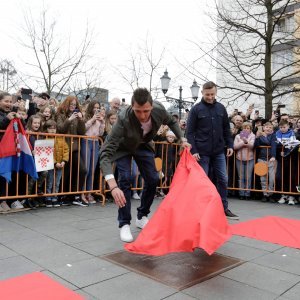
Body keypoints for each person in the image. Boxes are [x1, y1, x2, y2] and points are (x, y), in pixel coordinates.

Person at [99, 88, 189, 242]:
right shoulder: (123, 119)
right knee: (125, 178)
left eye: (146, 111)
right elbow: (105, 154)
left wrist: (182, 138)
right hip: (123, 148)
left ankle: (142, 216)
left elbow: (173, 121)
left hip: (144, 145)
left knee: (153, 179)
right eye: (138, 111)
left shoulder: (159, 110)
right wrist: (112, 186)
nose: (142, 115)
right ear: (132, 107)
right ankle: (124, 223)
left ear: (152, 106)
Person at [186, 81, 239, 220]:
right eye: (208, 94)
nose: (210, 97)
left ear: (216, 93)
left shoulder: (221, 108)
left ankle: (223, 208)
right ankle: (202, 209)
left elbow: (226, 130)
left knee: (223, 179)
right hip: (202, 151)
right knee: (203, 181)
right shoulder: (196, 109)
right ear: (202, 92)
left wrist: (230, 145)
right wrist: (194, 150)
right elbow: (189, 132)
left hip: (218, 151)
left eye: (212, 94)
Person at [44, 120, 69, 208]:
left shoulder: (60, 137)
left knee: (57, 182)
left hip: (60, 164)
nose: (52, 130)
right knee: (50, 181)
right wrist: (55, 162)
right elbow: (47, 153)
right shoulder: (46, 138)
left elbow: (66, 150)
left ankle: (54, 197)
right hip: (51, 164)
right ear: (46, 129)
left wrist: (64, 161)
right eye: (50, 129)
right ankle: (48, 197)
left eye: (54, 129)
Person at [254, 122, 277, 202]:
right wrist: (257, 137)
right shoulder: (259, 136)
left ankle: (270, 194)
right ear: (264, 128)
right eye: (267, 127)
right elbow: (255, 146)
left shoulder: (273, 136)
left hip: (271, 160)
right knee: (263, 178)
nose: (268, 129)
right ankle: (264, 194)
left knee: (271, 179)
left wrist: (273, 156)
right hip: (261, 159)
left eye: (270, 127)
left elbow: (273, 145)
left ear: (272, 130)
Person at [233, 122, 255, 200]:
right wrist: (243, 142)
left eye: (248, 128)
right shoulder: (238, 136)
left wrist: (245, 142)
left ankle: (247, 193)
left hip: (250, 159)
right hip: (239, 158)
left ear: (250, 129)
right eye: (244, 128)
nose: (246, 129)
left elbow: (252, 146)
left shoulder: (253, 136)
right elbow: (235, 146)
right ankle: (241, 193)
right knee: (241, 177)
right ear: (242, 129)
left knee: (248, 177)